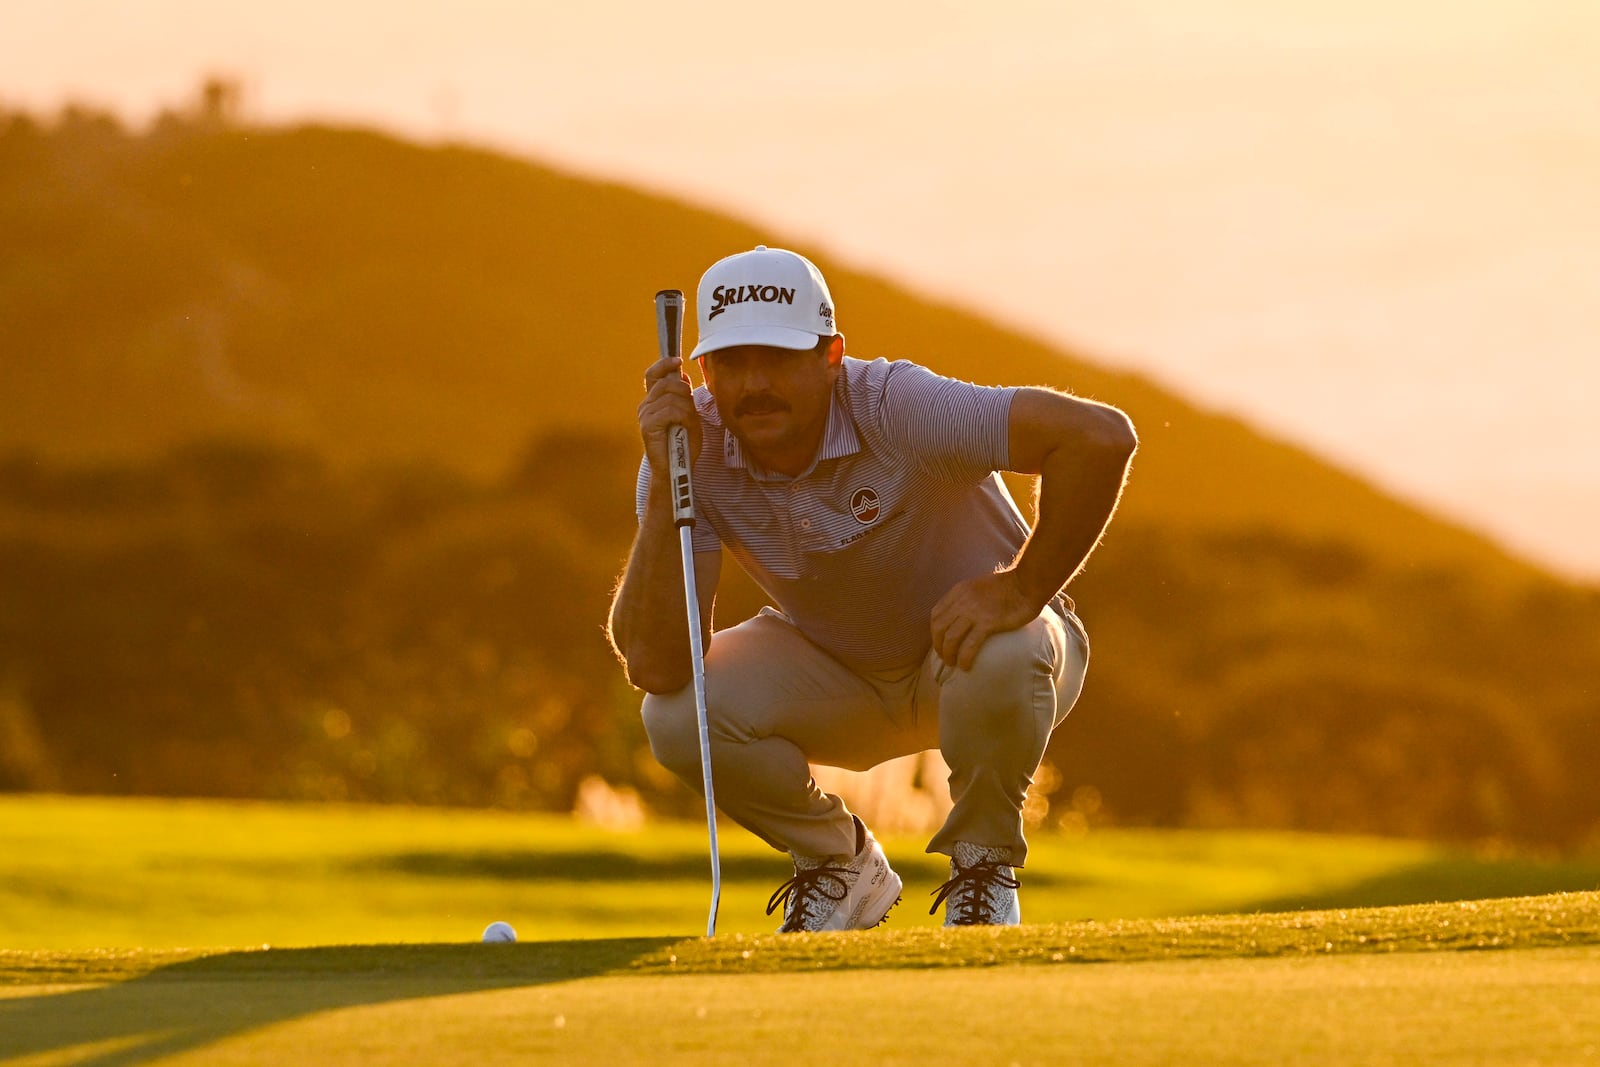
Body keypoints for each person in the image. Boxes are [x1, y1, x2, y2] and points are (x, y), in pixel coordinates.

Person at [608, 246, 1136, 931]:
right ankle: (838, 863)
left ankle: (982, 870)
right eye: (733, 363)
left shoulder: (897, 406)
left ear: (831, 357)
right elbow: (658, 664)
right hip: (842, 674)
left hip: (988, 659)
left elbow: (1099, 438)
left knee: (1006, 648)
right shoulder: (688, 449)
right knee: (675, 715)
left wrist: (1020, 588)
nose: (755, 383)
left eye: (779, 358)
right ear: (703, 370)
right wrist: (663, 490)